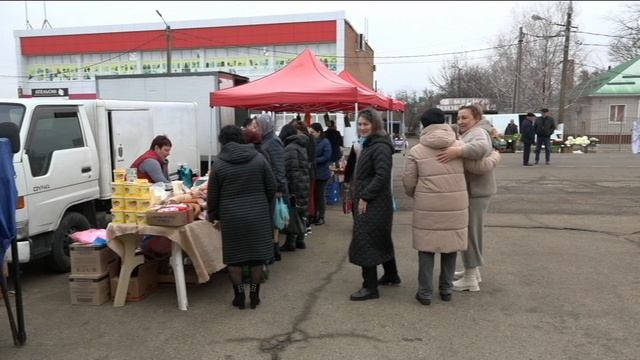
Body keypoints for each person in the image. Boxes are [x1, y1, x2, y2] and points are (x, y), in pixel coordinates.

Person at [403, 108, 468, 305]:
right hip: (456, 203)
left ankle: (425, 293)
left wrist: (416, 194)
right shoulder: (460, 146)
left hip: (427, 203)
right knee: (451, 246)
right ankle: (446, 289)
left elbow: (408, 180)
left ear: (424, 125)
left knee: (426, 248)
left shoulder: (416, 150)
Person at [207, 125, 276, 310]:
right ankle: (254, 294)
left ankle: (239, 295)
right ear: (242, 139)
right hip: (257, 215)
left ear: (222, 141)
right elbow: (272, 186)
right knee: (256, 258)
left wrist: (212, 214)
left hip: (231, 217)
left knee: (235, 259)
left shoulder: (219, 164)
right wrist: (262, 203)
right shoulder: (258, 158)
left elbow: (212, 195)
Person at [436, 104, 498, 292]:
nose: (460, 121)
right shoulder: (474, 131)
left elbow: (481, 148)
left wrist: (458, 152)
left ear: (477, 118)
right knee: (471, 232)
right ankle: (472, 271)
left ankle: (471, 278)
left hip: (476, 191)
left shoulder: (478, 132)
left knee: (471, 233)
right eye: (459, 118)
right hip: (475, 190)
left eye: (465, 118)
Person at [348, 107, 400, 301]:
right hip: (371, 200)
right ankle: (391, 274)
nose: (362, 127)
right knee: (380, 238)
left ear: (375, 124)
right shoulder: (372, 143)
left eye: (365, 124)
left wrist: (366, 196)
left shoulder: (379, 146)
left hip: (373, 201)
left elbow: (382, 175)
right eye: (360, 124)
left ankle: (369, 287)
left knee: (365, 240)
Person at [248, 114, 287, 261]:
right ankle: (272, 252)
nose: (254, 129)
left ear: (264, 126)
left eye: (256, 126)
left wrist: (278, 189)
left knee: (272, 222)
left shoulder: (273, 142)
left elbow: (278, 168)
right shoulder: (266, 140)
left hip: (273, 188)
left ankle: (270, 253)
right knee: (270, 222)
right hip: (269, 187)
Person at [278, 123, 310, 251]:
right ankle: (300, 240)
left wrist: (290, 188)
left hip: (295, 184)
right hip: (303, 182)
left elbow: (290, 170)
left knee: (293, 212)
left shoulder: (290, 148)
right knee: (301, 211)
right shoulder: (301, 146)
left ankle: (291, 242)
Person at [309, 123, 332, 226]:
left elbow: (327, 156)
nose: (311, 134)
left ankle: (321, 216)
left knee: (320, 195)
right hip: (313, 172)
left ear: (319, 132)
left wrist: (314, 160)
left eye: (313, 132)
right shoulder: (312, 141)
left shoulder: (325, 142)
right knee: (314, 195)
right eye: (310, 132)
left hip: (322, 173)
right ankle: (315, 214)